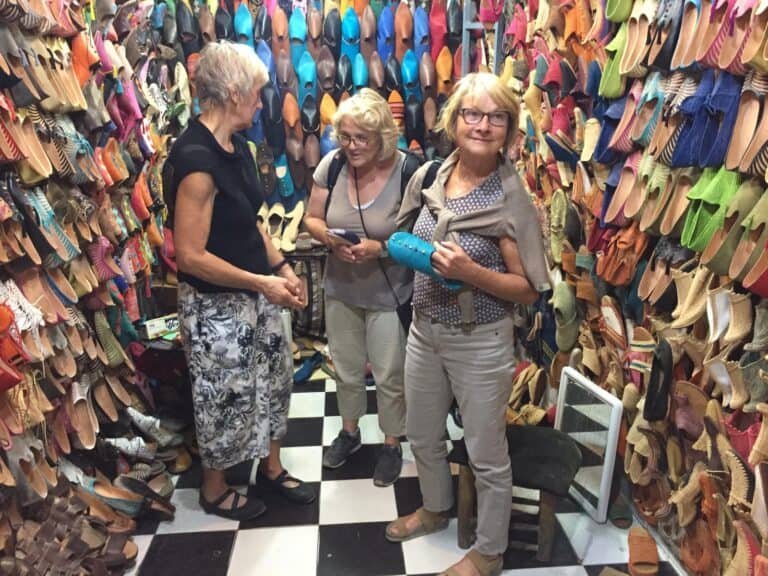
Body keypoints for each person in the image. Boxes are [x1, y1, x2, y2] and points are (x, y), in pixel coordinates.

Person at [385, 73, 551, 576]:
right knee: (422, 432)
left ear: (509, 127)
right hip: (425, 329)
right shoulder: (431, 176)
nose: (481, 125)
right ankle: (436, 508)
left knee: (485, 451)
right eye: (471, 114)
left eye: (495, 116)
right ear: (453, 120)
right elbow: (407, 232)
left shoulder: (512, 200)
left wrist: (471, 273)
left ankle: (488, 552)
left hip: (480, 340)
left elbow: (530, 290)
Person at [167, 41, 314, 521]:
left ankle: (270, 468)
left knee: (273, 381)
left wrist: (283, 270)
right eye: (256, 91)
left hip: (257, 291)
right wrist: (259, 282)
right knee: (223, 395)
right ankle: (213, 489)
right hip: (216, 307)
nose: (261, 100)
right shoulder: (195, 161)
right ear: (232, 93)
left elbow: (251, 223)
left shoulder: (240, 149)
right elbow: (190, 256)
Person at [304, 88, 411, 487]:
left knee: (388, 373)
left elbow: (419, 237)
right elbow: (311, 218)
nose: (351, 146)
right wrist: (330, 239)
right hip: (342, 288)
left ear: (382, 135)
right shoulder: (332, 166)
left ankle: (391, 444)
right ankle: (350, 433)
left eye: (361, 138)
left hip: (388, 291)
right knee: (347, 369)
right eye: (345, 137)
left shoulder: (407, 170)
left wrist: (380, 249)